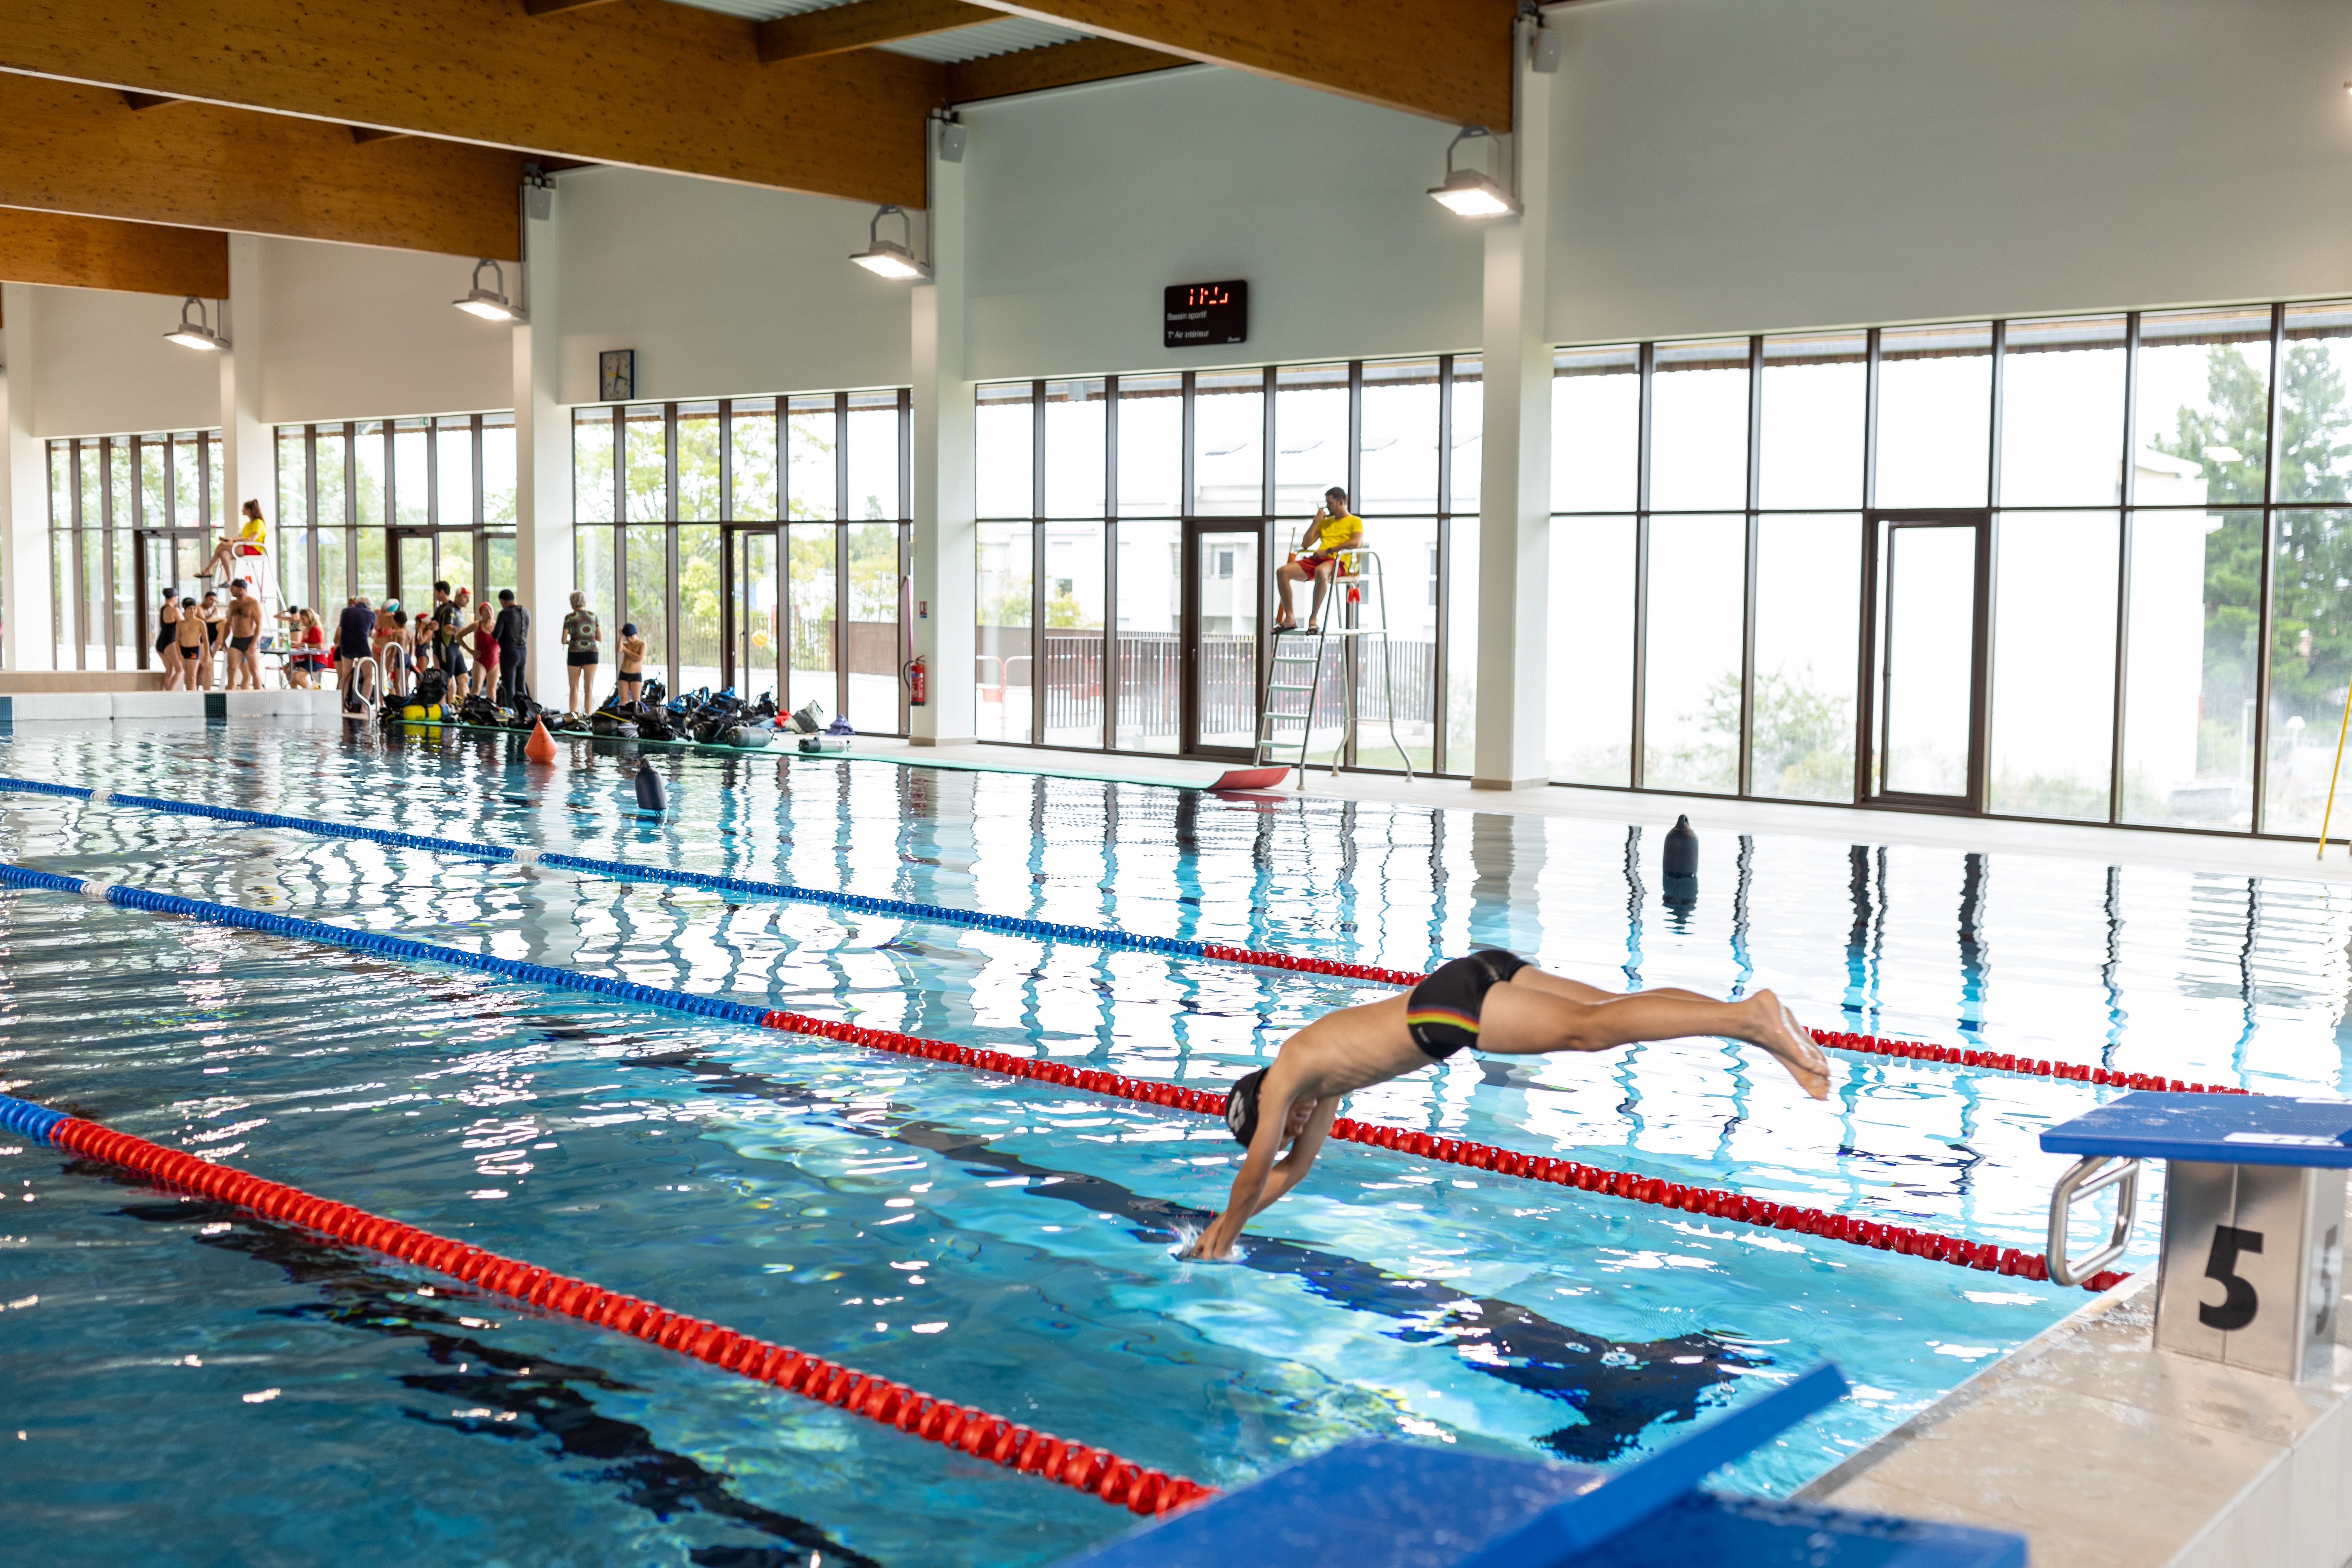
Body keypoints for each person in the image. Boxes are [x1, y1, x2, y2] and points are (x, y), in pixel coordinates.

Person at [1183, 952, 1831, 1261]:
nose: (1293, 1126)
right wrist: (1224, 1227)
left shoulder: (1286, 1073)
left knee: (1589, 1031)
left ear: (1259, 1097)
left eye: (1281, 1123)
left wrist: (1223, 1237)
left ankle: (1746, 1018)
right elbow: (1292, 1171)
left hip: (1444, 1010)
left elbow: (1256, 1171)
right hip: (1473, 975)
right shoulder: (1320, 1082)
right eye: (1287, 1126)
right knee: (1607, 1009)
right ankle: (1749, 1022)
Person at [1276, 487, 1363, 632]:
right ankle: (1290, 618)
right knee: (1282, 572)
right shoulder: (1325, 522)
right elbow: (1306, 544)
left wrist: (1329, 550)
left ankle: (1313, 619)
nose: (1327, 507)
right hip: (1319, 559)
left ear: (1341, 502)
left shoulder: (1355, 521)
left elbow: (1355, 542)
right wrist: (1316, 521)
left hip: (1339, 561)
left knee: (1321, 571)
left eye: (1330, 503)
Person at [202, 500, 268, 586]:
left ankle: (209, 569)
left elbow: (252, 539)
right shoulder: (248, 524)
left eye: (244, 509)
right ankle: (230, 579)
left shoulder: (259, 523)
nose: (242, 510)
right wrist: (230, 540)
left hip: (255, 550)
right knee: (223, 553)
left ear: (249, 510)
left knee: (222, 545)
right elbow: (243, 539)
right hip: (245, 547)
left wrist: (235, 539)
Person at [561, 590, 602, 713]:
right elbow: (600, 638)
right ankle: (588, 717)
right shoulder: (593, 616)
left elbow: (564, 640)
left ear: (572, 603)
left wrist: (573, 642)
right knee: (589, 687)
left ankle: (573, 716)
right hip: (592, 653)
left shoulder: (569, 617)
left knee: (574, 688)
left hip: (575, 654)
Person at [224, 580, 264, 691]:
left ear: (241, 589)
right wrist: (224, 640)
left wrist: (254, 642)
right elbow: (228, 624)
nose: (231, 591)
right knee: (231, 669)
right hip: (236, 640)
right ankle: (231, 695)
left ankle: (259, 697)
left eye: (233, 589)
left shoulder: (253, 603)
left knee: (254, 671)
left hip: (250, 640)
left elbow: (259, 625)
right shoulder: (233, 604)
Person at [336, 597, 376, 703]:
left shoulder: (346, 612)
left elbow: (340, 630)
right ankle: (364, 707)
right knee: (369, 676)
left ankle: (341, 705)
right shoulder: (371, 614)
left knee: (346, 675)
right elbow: (370, 634)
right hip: (362, 647)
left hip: (347, 646)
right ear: (369, 606)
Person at [494, 589, 530, 707]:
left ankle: (513, 714)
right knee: (521, 687)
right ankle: (527, 713)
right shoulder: (526, 613)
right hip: (523, 651)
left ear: (502, 601)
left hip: (509, 652)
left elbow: (496, 635)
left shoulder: (504, 614)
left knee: (509, 688)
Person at [469, 601, 501, 705]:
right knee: (476, 689)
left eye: (491, 610)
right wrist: (471, 651)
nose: (489, 612)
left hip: (495, 662)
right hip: (480, 661)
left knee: (492, 690)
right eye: (486, 611)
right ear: (481, 614)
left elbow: (505, 639)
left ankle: (492, 711)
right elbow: (458, 636)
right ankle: (471, 709)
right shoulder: (477, 625)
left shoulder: (498, 625)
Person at [173, 595, 207, 691]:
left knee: (192, 677)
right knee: (187, 677)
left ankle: (192, 696)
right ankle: (191, 695)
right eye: (190, 609)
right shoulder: (180, 624)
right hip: (184, 650)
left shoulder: (200, 623)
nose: (192, 611)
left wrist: (207, 655)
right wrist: (179, 653)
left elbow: (206, 641)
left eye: (194, 608)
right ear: (185, 609)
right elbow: (177, 640)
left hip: (194, 650)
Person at [156, 589, 185, 691]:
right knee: (180, 670)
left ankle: (167, 694)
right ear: (173, 598)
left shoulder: (162, 609)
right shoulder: (174, 610)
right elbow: (184, 624)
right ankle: (170, 693)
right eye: (177, 599)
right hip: (170, 642)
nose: (177, 601)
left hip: (160, 642)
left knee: (169, 671)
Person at [616, 622, 646, 704]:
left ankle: (635, 714)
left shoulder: (642, 645)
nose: (629, 639)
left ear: (637, 634)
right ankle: (623, 713)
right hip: (624, 674)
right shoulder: (625, 644)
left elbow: (639, 658)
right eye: (627, 637)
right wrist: (621, 636)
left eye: (631, 637)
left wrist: (626, 650)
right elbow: (619, 650)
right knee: (623, 700)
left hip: (636, 675)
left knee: (636, 700)